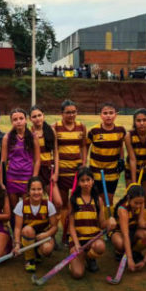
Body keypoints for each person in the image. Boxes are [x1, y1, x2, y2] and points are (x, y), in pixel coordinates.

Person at [68, 166, 114, 277]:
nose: (86, 183)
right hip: (78, 240)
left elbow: (101, 224)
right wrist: (77, 244)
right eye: (82, 181)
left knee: (100, 247)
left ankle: (90, 258)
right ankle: (77, 260)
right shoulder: (73, 200)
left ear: (92, 181)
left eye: (88, 180)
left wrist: (109, 222)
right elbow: (71, 226)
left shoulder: (98, 200)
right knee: (77, 274)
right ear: (78, 183)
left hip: (93, 240)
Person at [54, 100, 87, 245]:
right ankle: (64, 231)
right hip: (62, 171)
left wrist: (84, 164)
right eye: (68, 112)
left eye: (74, 111)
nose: (71, 114)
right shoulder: (55, 127)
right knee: (63, 204)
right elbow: (54, 150)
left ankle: (72, 231)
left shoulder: (81, 127)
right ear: (62, 113)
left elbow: (83, 147)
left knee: (76, 203)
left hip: (77, 171)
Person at [87, 102, 131, 205]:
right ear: (100, 115)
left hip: (113, 171)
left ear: (116, 114)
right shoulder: (94, 130)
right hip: (96, 170)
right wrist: (85, 162)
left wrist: (121, 159)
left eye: (111, 113)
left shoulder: (121, 130)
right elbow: (85, 146)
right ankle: (100, 220)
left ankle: (108, 219)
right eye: (105, 113)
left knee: (109, 200)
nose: (108, 115)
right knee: (99, 200)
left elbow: (120, 145)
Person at [13, 176, 58, 272]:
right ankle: (30, 259)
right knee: (27, 230)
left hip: (43, 236)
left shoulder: (49, 205)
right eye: (33, 189)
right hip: (28, 235)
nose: (36, 192)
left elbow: (54, 227)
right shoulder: (21, 205)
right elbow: (17, 228)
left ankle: (37, 252)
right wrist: (17, 244)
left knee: (47, 250)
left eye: (39, 189)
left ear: (43, 190)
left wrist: (46, 234)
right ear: (28, 191)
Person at [1, 108, 40, 209]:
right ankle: (15, 225)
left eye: (21, 118)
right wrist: (1, 180)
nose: (18, 121)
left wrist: (34, 178)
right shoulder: (7, 138)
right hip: (12, 177)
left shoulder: (33, 137)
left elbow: (37, 160)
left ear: (26, 120)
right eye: (15, 119)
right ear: (11, 122)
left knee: (26, 208)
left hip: (27, 177)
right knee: (14, 208)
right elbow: (3, 161)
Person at [110, 184, 146, 272]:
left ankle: (135, 251)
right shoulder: (123, 210)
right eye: (136, 203)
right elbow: (125, 234)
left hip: (133, 231)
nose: (138, 206)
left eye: (140, 203)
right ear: (129, 198)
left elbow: (140, 222)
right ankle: (120, 253)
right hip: (120, 233)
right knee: (121, 244)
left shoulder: (141, 202)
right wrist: (129, 259)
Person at [125, 108, 146, 220]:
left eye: (144, 120)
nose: (142, 123)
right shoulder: (129, 136)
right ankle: (132, 223)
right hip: (132, 169)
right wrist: (134, 182)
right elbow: (132, 159)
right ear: (134, 122)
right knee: (132, 197)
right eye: (138, 120)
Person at [30, 105, 62, 209]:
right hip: (34, 170)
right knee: (35, 201)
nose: (37, 118)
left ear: (43, 116)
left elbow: (56, 152)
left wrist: (56, 173)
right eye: (34, 116)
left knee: (58, 202)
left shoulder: (51, 131)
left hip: (48, 170)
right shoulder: (29, 132)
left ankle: (53, 224)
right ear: (30, 119)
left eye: (39, 115)